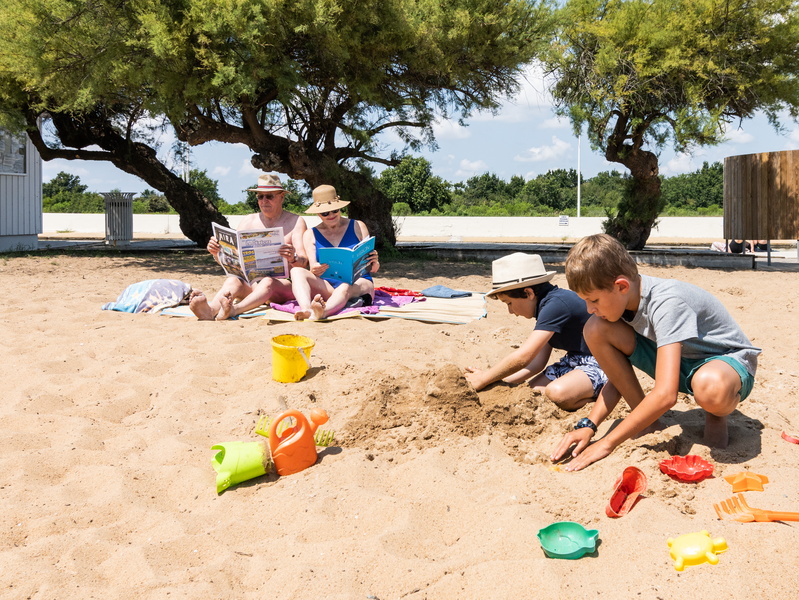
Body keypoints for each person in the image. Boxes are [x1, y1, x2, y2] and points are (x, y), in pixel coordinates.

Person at [551, 234, 761, 471]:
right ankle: (647, 422)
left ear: (621, 286)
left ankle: (715, 414)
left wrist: (607, 444)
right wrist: (590, 423)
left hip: (725, 366)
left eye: (594, 300)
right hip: (680, 362)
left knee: (710, 387)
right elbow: (617, 378)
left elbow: (665, 395)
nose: (590, 308)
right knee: (595, 328)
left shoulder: (667, 302)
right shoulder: (620, 302)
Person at [464, 253, 618, 411]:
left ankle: (603, 395)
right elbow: (536, 363)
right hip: (574, 362)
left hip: (604, 363)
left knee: (555, 393)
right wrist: (497, 380)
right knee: (531, 392)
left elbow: (524, 356)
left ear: (529, 293)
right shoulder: (546, 307)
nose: (510, 311)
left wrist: (484, 378)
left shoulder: (557, 305)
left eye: (509, 303)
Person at [189, 174, 308, 320]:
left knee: (267, 281)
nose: (264, 201)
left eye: (269, 196)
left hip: (283, 285)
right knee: (233, 280)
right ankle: (210, 310)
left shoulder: (295, 222)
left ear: (281, 196)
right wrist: (217, 253)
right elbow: (235, 263)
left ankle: (234, 309)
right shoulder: (247, 221)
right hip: (252, 284)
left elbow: (304, 262)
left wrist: (293, 257)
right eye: (260, 197)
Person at [291, 184, 379, 320]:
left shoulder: (357, 226)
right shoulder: (310, 234)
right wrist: (315, 269)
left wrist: (374, 261)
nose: (331, 215)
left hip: (359, 284)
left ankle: (322, 313)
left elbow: (373, 269)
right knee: (296, 271)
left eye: (335, 210)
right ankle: (306, 309)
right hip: (329, 287)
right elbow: (313, 267)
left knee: (345, 286)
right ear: (318, 214)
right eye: (325, 213)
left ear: (340, 208)